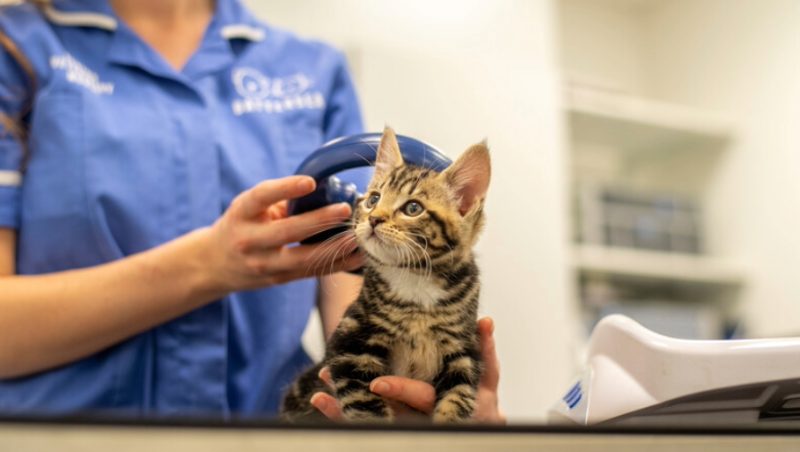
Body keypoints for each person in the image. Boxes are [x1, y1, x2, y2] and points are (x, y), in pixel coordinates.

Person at [0, 0, 504, 422]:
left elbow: (356, 276)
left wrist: (413, 394)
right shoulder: (17, 46)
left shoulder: (312, 71)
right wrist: (209, 266)